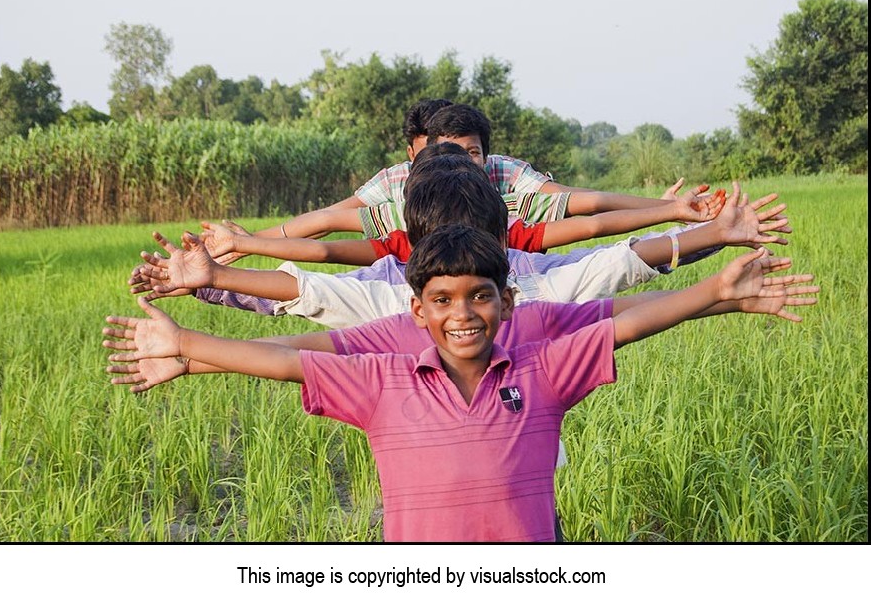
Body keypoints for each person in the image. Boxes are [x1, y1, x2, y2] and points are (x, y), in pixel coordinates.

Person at [103, 224, 817, 541]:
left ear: (508, 300)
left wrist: (719, 289)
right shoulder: (385, 380)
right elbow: (294, 358)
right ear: (417, 310)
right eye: (442, 300)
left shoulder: (542, 369)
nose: (463, 314)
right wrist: (185, 345)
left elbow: (624, 322)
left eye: (480, 295)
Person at [130, 170, 790, 329]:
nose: (460, 313)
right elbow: (310, 285)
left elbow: (613, 256)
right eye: (442, 294)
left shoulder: (529, 288)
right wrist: (215, 274)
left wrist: (711, 239)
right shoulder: (398, 294)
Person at [190, 149, 724, 267]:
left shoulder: (510, 219)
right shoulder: (401, 236)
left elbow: (594, 216)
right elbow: (328, 235)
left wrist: (673, 211)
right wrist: (241, 244)